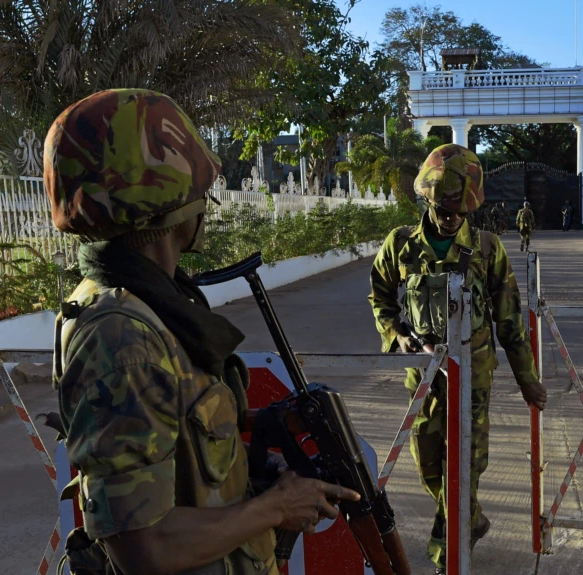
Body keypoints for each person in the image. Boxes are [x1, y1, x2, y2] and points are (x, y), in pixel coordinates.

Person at [47, 89, 359, 575]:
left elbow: (170, 427)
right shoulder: (120, 337)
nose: (204, 204)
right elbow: (144, 548)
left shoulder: (153, 302)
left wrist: (256, 422)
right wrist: (278, 507)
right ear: (167, 203)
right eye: (197, 190)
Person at [368, 144, 548, 575]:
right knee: (427, 464)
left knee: (463, 472)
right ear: (428, 200)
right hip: (424, 380)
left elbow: (509, 321)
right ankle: (471, 521)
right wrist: (397, 337)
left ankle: (446, 555)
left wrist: (528, 379)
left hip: (473, 380)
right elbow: (379, 294)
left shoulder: (487, 250)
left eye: (459, 213)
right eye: (445, 210)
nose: (452, 219)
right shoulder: (401, 246)